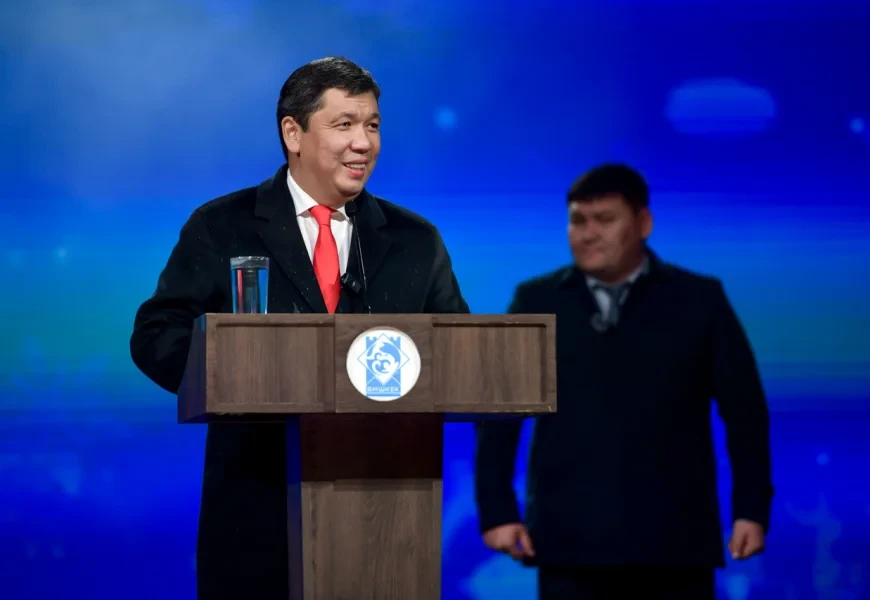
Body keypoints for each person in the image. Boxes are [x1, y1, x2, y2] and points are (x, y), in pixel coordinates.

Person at [130, 57, 469, 599]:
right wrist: (234, 376)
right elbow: (156, 333)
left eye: (373, 125)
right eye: (344, 124)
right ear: (293, 133)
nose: (364, 143)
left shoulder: (415, 240)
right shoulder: (223, 225)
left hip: (383, 520)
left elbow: (462, 353)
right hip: (256, 510)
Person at [473, 164, 773, 599]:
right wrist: (497, 510)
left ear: (643, 223)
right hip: (568, 543)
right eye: (578, 220)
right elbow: (498, 413)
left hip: (676, 545)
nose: (588, 233)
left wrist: (751, 510)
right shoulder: (536, 300)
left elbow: (745, 414)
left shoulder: (699, 300)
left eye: (605, 219)